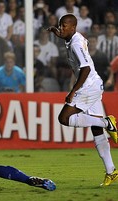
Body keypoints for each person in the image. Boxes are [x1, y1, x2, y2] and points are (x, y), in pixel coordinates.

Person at [47, 14, 118, 186]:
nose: (61, 28)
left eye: (64, 26)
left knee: (64, 118)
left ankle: (107, 123)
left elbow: (85, 68)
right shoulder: (74, 38)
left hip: (88, 86)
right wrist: (61, 34)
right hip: (92, 85)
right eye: (60, 25)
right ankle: (112, 171)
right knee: (96, 131)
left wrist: (73, 91)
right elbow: (75, 43)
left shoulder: (76, 43)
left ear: (73, 27)